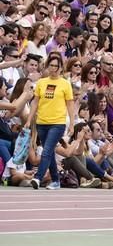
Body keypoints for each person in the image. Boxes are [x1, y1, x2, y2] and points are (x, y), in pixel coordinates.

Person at [26, 53, 75, 190]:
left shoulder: (65, 84)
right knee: (50, 152)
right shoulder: (42, 82)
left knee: (46, 150)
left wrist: (71, 123)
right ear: (48, 66)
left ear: (61, 68)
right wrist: (29, 119)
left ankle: (38, 177)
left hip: (58, 123)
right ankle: (55, 180)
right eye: (51, 65)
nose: (54, 68)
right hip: (41, 122)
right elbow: (35, 102)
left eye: (56, 66)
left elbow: (70, 104)